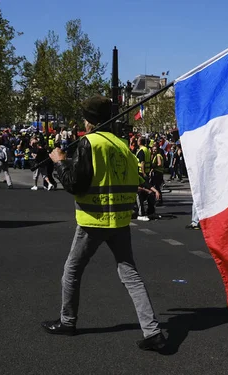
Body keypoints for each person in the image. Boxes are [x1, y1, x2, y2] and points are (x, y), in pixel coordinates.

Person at [44, 95, 166, 351]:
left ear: (88, 121)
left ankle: (68, 321)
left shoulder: (90, 143)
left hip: (94, 218)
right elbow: (133, 178)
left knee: (72, 271)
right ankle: (152, 331)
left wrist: (59, 162)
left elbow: (74, 183)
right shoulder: (121, 144)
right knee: (130, 273)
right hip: (120, 218)